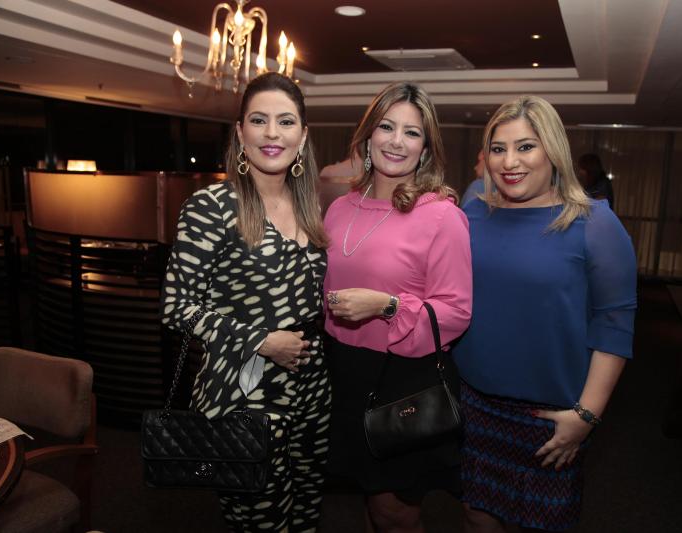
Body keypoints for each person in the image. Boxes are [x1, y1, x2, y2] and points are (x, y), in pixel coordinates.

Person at [454, 96, 637, 532]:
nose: (509, 162)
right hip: (475, 405)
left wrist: (586, 416)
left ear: (553, 150)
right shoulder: (473, 210)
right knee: (477, 515)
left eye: (525, 146)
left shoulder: (593, 222)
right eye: (498, 149)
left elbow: (615, 323)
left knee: (544, 523)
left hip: (553, 418)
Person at [160, 72, 330, 533]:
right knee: (260, 520)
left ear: (303, 135)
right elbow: (176, 307)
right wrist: (261, 340)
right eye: (259, 120)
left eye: (285, 121)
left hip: (312, 388)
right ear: (240, 132)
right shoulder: (211, 206)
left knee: (306, 513)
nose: (272, 133)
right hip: (245, 390)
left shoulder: (309, 206)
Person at [323, 82, 472, 533]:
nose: (396, 141)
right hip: (342, 372)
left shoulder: (441, 215)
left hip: (403, 379)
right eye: (387, 127)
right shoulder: (339, 207)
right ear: (368, 136)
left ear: (425, 148)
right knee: (369, 500)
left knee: (395, 513)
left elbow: (456, 312)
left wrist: (388, 306)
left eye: (412, 132)